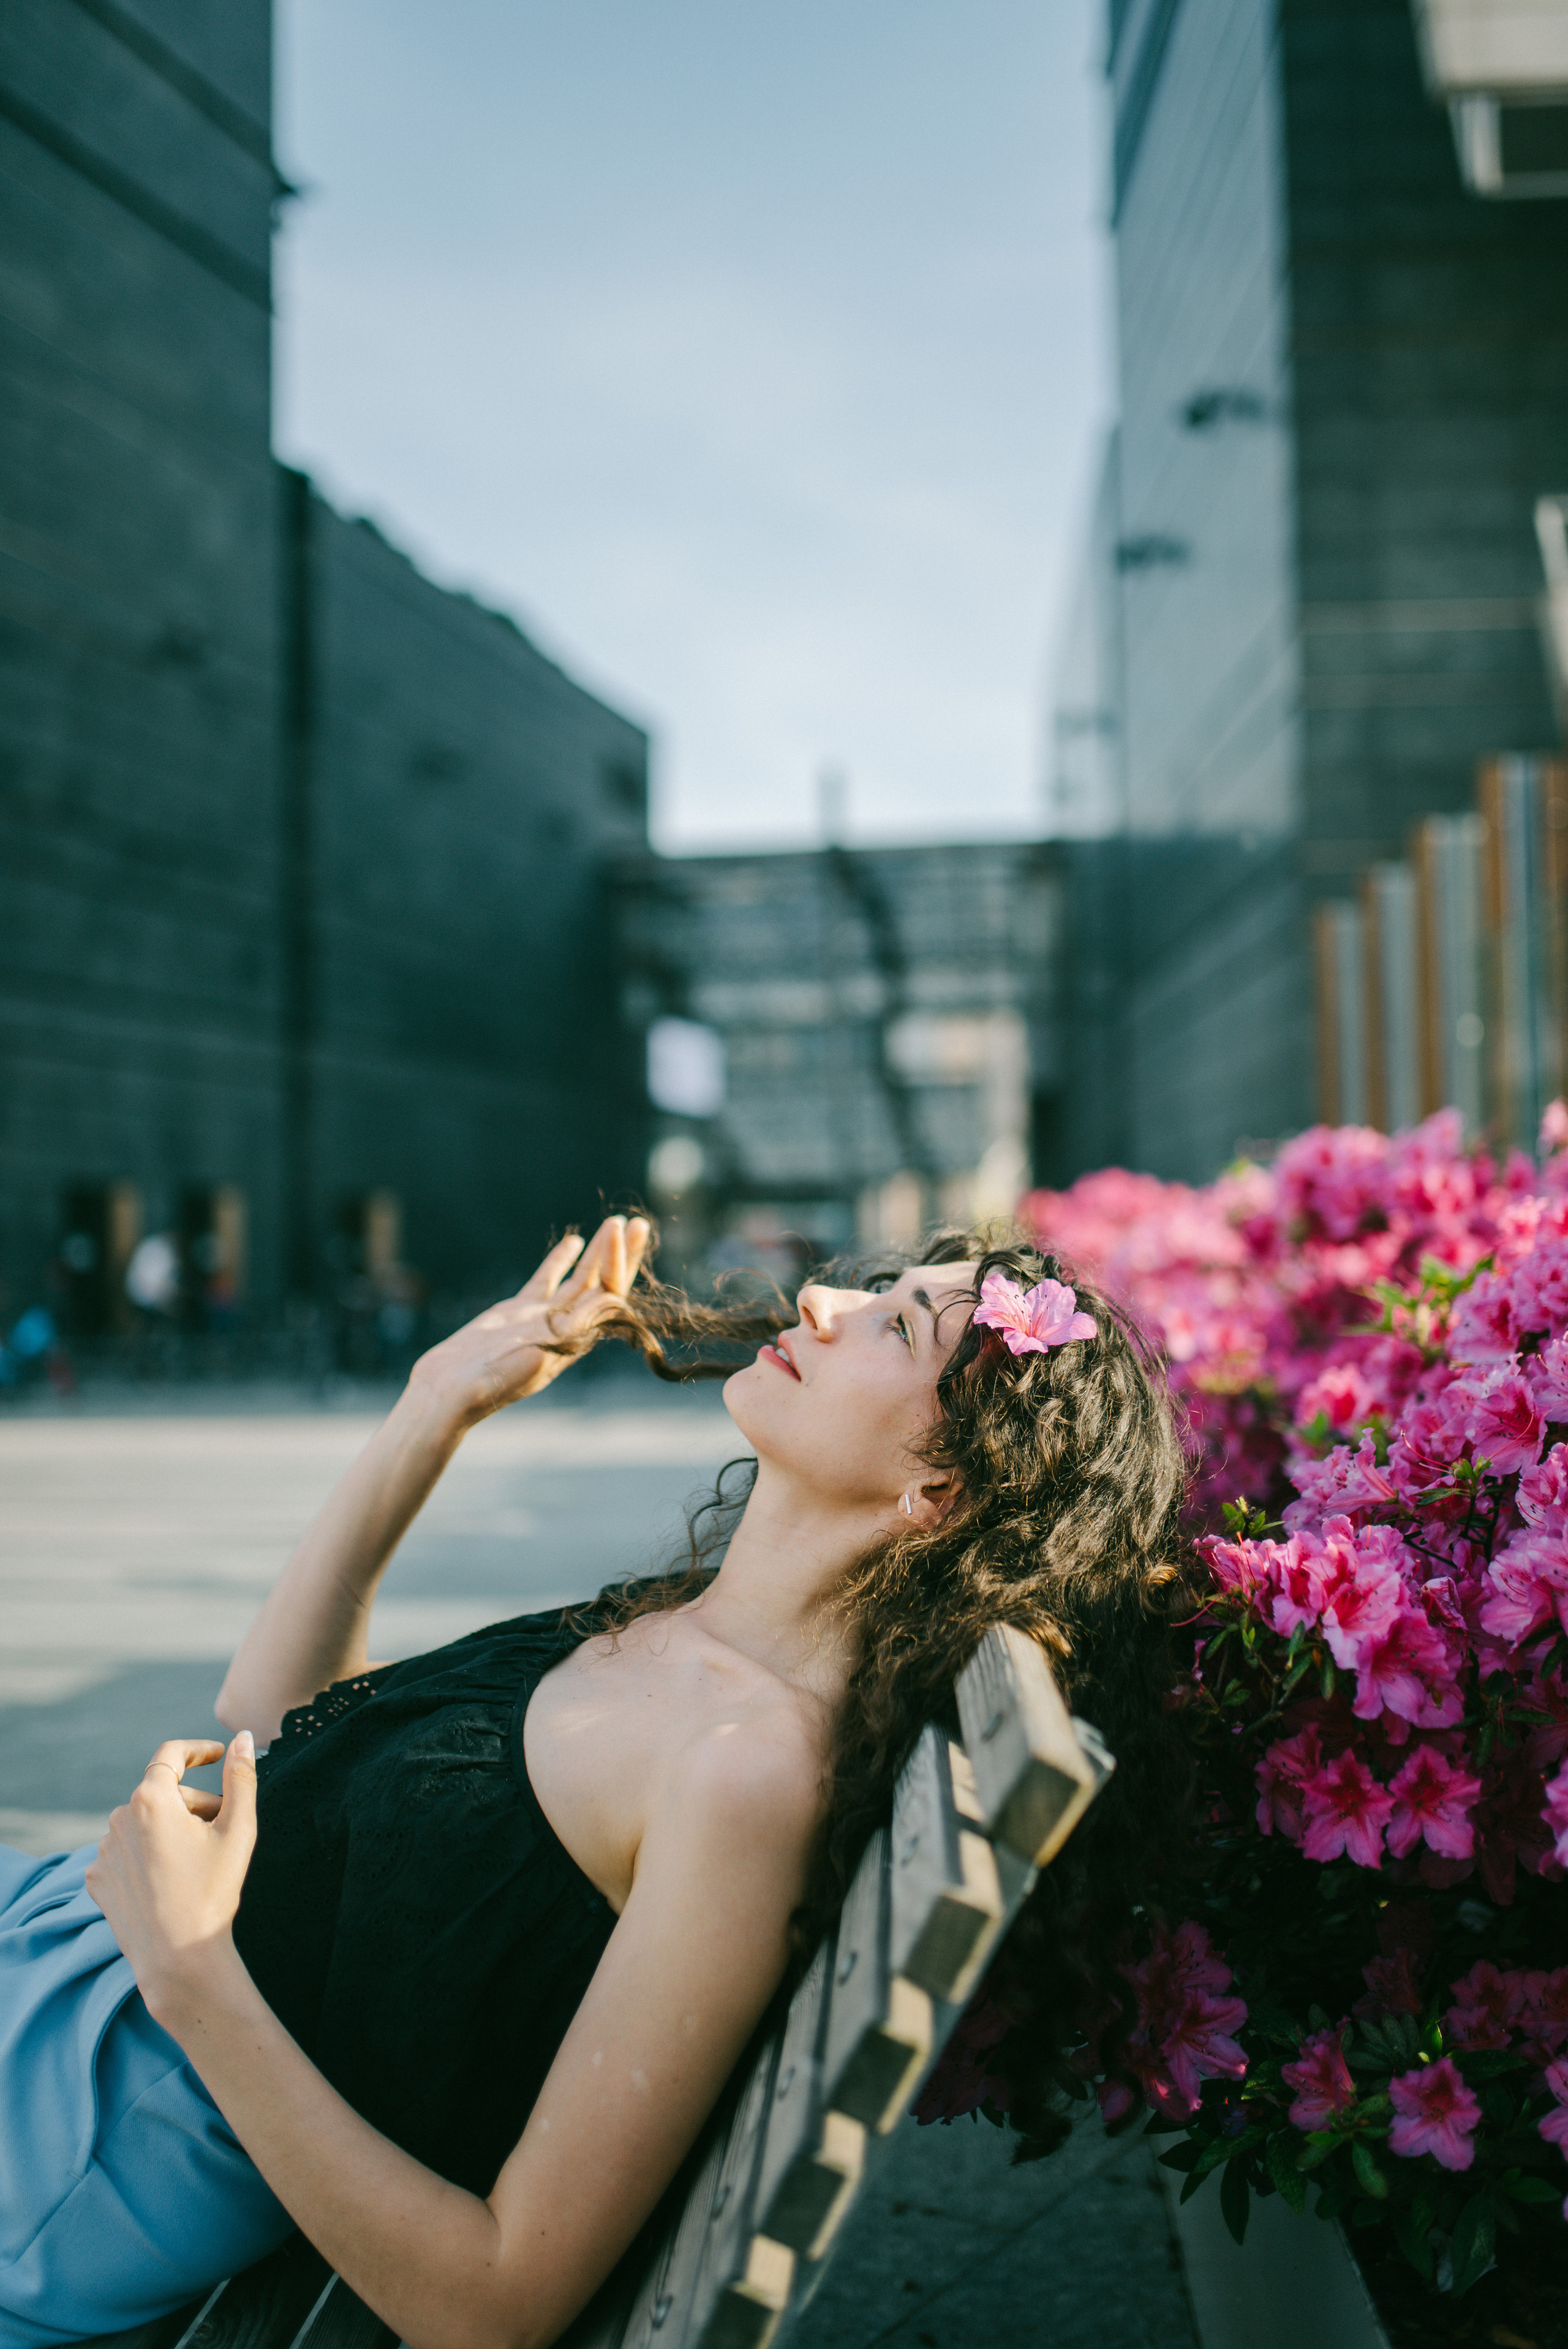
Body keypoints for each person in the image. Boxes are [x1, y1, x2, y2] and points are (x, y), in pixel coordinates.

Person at [0, 1214, 1189, 2349]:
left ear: (935, 1495)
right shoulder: (682, 1631)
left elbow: (496, 2304)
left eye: (894, 1327)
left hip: (90, 2119)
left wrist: (192, 1966)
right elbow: (274, 1720)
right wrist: (436, 1406)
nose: (824, 1300)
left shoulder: (747, 1774)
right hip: (76, 1978)